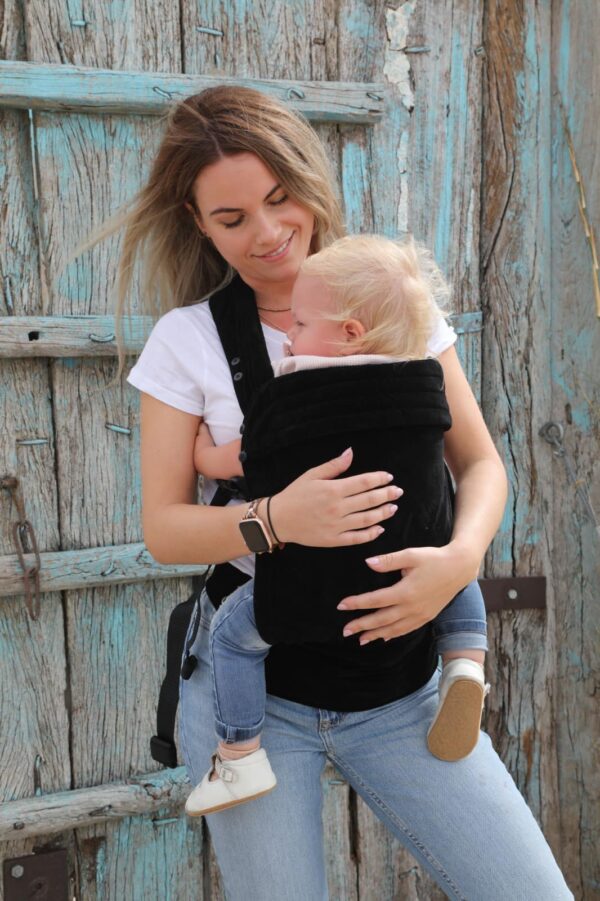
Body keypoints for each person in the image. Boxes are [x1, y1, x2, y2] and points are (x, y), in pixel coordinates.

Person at [116, 85, 571, 898]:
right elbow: (166, 527)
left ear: (307, 179)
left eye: (280, 199)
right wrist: (276, 520)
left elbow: (482, 465)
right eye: (232, 219)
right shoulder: (186, 340)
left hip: (402, 681)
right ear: (198, 223)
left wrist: (457, 563)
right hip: (255, 695)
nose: (268, 233)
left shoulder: (396, 308)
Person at [185, 234, 490, 817]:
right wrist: (463, 553)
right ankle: (466, 663)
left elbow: (251, 460)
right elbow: (469, 462)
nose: (290, 338)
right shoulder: (424, 379)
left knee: (231, 636)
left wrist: (205, 458)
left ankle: (241, 753)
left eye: (299, 324)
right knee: (457, 570)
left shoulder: (296, 390)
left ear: (350, 333)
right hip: (409, 577)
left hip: (310, 585)